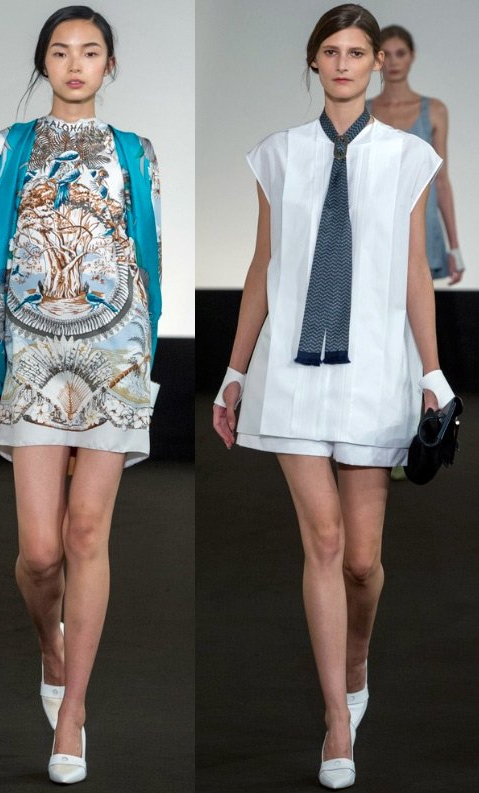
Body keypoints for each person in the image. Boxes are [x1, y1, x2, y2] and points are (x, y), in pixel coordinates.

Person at [212, 4, 455, 789]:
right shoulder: (278, 155)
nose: (346, 63)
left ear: (377, 62)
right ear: (313, 62)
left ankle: (356, 657)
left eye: (358, 51)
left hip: (374, 368)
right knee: (320, 541)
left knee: (361, 561)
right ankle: (338, 722)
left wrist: (433, 372)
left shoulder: (408, 157)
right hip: (290, 369)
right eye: (332, 51)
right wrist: (235, 370)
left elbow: (415, 271)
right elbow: (263, 266)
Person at [0, 5, 161, 785]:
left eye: (90, 52)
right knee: (40, 552)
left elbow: (149, 258)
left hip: (115, 355)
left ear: (109, 65)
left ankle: (73, 711)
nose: (75, 65)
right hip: (32, 353)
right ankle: (50, 641)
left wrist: (144, 359)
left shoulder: (136, 152)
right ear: (44, 63)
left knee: (87, 532)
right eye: (61, 52)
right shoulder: (7, 147)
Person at [368, 25, 464, 284]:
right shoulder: (364, 113)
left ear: (412, 56)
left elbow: (441, 181)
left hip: (423, 225)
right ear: (377, 59)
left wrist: (454, 248)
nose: (394, 62)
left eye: (400, 53)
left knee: (418, 306)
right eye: (386, 54)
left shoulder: (434, 110)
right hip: (375, 227)